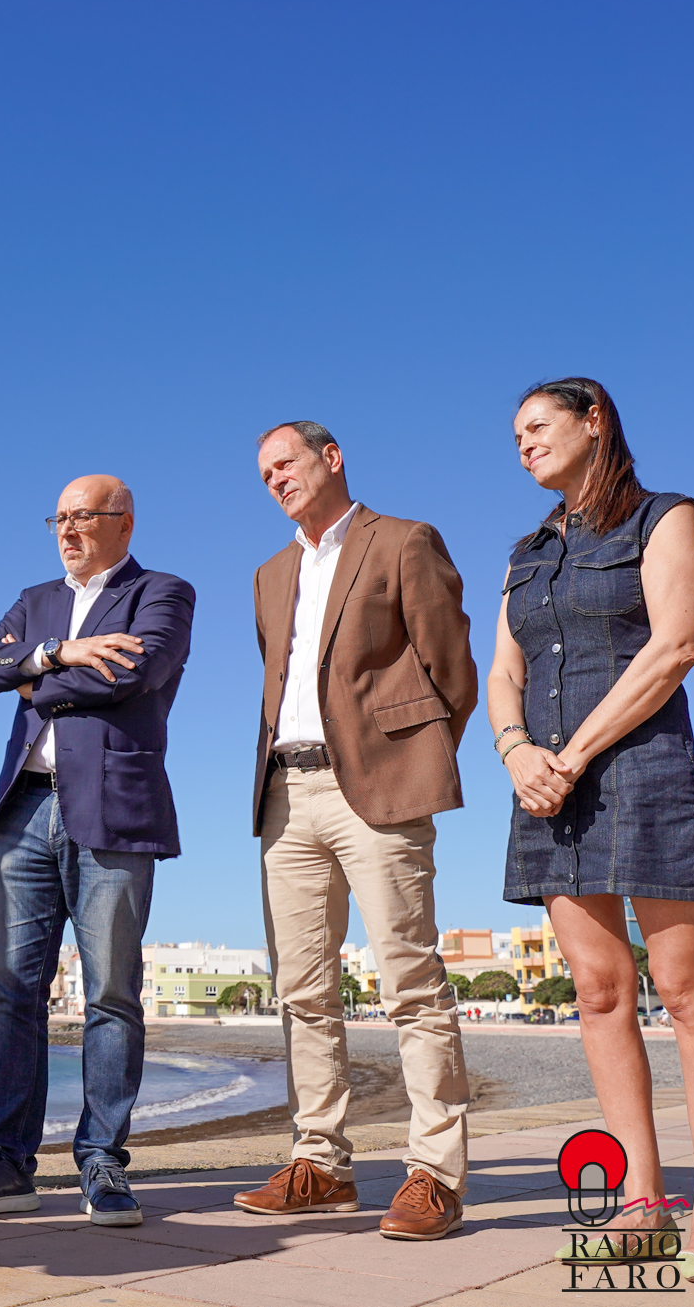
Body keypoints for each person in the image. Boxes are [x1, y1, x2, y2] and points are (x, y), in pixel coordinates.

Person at [236, 422, 475, 1241]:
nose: (275, 480)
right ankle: (320, 1165)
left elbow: (451, 669)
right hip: (284, 793)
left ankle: (435, 1172)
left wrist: (409, 762)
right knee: (301, 992)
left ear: (329, 457)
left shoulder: (404, 541)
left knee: (410, 980)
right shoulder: (269, 574)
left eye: (286, 463)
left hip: (375, 786)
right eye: (263, 473)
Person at [0, 476, 194, 1228]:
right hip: (24, 808)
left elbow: (135, 672)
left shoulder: (163, 591)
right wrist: (59, 650)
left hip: (113, 806)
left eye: (85, 516)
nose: (68, 529)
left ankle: (102, 1162)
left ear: (124, 521)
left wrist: (33, 677)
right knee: (11, 990)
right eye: (59, 517)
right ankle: (6, 1164)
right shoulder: (36, 600)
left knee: (110, 991)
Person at [491, 379, 694, 1271]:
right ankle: (641, 1201)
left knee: (689, 993)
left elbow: (675, 646)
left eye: (537, 425)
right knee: (598, 991)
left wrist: (570, 753)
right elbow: (500, 668)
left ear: (593, 421)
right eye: (514, 435)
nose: (523, 443)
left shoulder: (667, 518)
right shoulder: (527, 549)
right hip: (545, 783)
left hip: (639, 769)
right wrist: (514, 753)